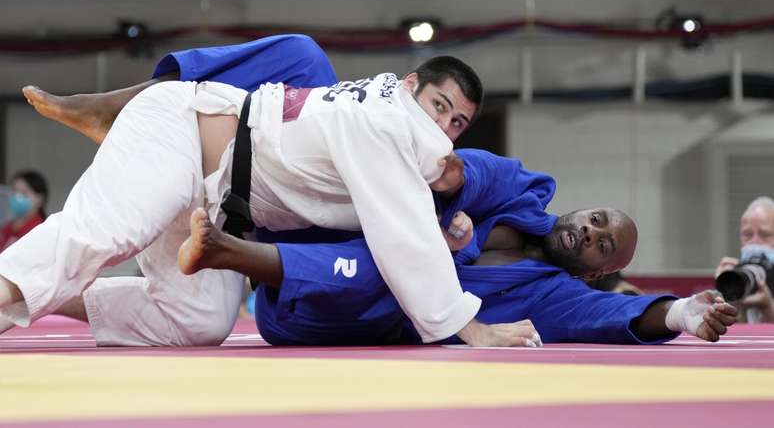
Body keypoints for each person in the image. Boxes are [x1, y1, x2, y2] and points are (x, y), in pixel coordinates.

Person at [1, 40, 532, 348]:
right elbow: (403, 236)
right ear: (412, 85)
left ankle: (37, 296)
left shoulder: (389, 127)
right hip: (179, 133)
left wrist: (449, 224)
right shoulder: (386, 121)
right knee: (108, 231)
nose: (445, 126)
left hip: (216, 202)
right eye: (440, 106)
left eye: (458, 122)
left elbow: (398, 214)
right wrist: (472, 329)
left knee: (199, 322)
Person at [178, 203, 736, 346]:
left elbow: (620, 314)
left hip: (325, 312)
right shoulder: (510, 205)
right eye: (595, 220)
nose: (590, 233)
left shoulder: (556, 297)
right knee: (301, 60)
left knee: (398, 271)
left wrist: (686, 313)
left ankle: (224, 247)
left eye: (602, 245)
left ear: (594, 274)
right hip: (307, 244)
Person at [715, 196, 774, 323]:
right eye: (747, 235)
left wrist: (767, 308)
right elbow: (741, 338)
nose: (755, 242)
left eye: (765, 235)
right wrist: (728, 294)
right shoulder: (742, 276)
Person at [0, 171, 48, 252]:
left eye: (24, 193)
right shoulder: (6, 228)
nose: (17, 197)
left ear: (40, 198)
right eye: (15, 192)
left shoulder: (41, 230)